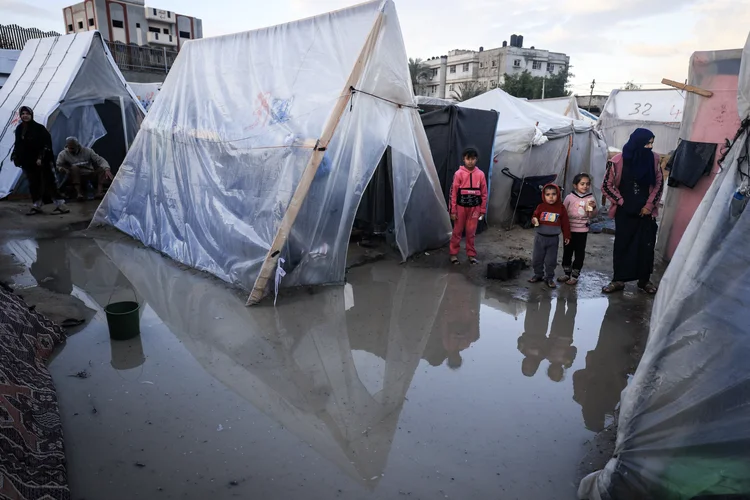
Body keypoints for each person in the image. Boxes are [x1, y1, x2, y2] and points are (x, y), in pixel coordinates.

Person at [601, 128, 663, 294]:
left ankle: (644, 281)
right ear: (638, 142)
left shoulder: (654, 160)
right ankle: (618, 280)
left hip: (646, 212)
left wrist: (649, 206)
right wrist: (621, 202)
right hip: (625, 211)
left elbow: (659, 184)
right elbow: (606, 185)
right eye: (647, 143)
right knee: (623, 244)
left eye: (651, 143)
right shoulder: (618, 161)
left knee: (646, 246)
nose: (650, 147)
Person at [10, 106, 69, 215]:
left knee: (49, 182)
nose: (25, 116)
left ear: (31, 115)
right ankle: (37, 205)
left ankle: (61, 205)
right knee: (34, 183)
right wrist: (15, 156)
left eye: (27, 113)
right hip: (28, 161)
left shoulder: (39, 128)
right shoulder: (20, 129)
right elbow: (18, 144)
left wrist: (40, 157)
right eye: (23, 114)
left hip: (42, 161)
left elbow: (46, 144)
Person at [449, 148, 488, 265]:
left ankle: (471, 254)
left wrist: (482, 209)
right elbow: (454, 193)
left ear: (476, 159)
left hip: (474, 208)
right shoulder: (458, 174)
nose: (470, 161)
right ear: (464, 159)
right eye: (468, 159)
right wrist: (453, 210)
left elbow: (484, 193)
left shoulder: (480, 174)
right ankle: (453, 254)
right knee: (457, 231)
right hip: (460, 208)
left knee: (471, 232)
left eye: (473, 159)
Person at [528, 183, 570, 288]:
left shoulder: (561, 208)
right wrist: (534, 220)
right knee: (537, 258)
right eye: (548, 194)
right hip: (540, 238)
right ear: (544, 195)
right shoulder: (541, 207)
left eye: (553, 194)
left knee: (550, 260)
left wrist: (567, 236)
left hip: (553, 239)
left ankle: (549, 278)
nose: (551, 197)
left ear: (558, 195)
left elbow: (565, 223)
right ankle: (538, 275)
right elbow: (534, 216)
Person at [559, 173, 598, 285]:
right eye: (582, 184)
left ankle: (575, 275)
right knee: (567, 251)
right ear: (575, 185)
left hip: (582, 231)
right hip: (569, 230)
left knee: (579, 253)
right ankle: (567, 273)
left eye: (587, 184)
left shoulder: (590, 198)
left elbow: (592, 215)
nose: (585, 186)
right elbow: (563, 212)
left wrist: (593, 208)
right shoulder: (569, 198)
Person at [56, 136, 113, 200]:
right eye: (69, 148)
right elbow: (58, 165)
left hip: (89, 173)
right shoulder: (63, 154)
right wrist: (62, 169)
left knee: (102, 169)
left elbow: (99, 160)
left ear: (77, 146)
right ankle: (79, 193)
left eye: (73, 148)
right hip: (75, 175)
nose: (71, 150)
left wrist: (107, 169)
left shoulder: (88, 151)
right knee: (74, 168)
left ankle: (99, 192)